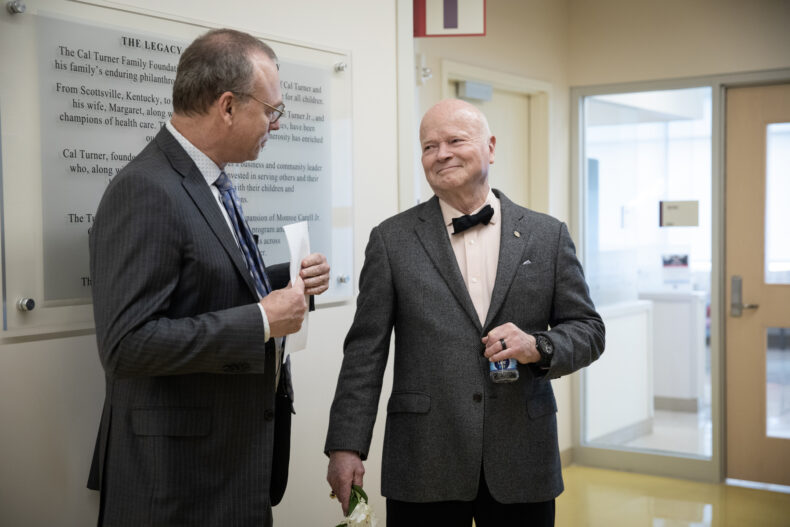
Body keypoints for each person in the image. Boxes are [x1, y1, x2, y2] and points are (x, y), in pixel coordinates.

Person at [87, 28, 330, 526]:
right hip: (179, 482)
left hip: (228, 467)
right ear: (227, 106)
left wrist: (286, 282)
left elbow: (207, 279)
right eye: (272, 111)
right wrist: (263, 320)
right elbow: (126, 344)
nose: (276, 126)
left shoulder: (208, 178)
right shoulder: (145, 189)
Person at [325, 99, 604, 526]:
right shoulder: (391, 240)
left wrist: (538, 346)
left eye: (456, 140)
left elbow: (589, 330)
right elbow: (365, 352)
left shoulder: (547, 236)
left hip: (522, 456)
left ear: (490, 147)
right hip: (424, 457)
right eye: (429, 146)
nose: (442, 154)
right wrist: (347, 446)